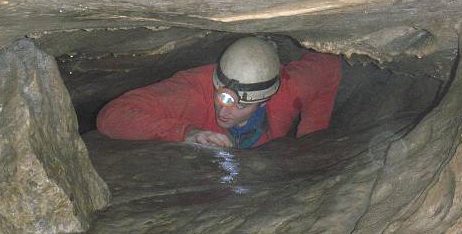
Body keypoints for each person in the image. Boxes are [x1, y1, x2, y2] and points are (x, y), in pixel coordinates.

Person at [97, 36, 342, 149]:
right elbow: (112, 117)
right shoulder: (192, 91)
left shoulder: (290, 90)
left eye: (240, 106)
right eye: (222, 98)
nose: (225, 111)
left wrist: (310, 141)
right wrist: (186, 133)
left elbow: (329, 66)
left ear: (264, 101)